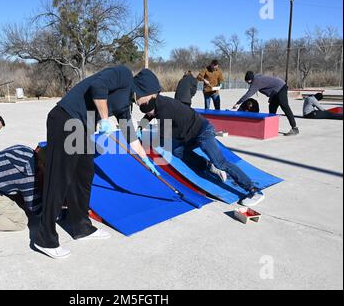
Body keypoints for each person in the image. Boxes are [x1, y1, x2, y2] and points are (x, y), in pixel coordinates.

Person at [34, 66, 161, 259]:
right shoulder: (123, 75)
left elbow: (131, 136)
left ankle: (80, 226)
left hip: (81, 128)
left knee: (84, 174)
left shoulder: (126, 106)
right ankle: (45, 238)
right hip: (64, 118)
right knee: (59, 178)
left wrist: (146, 159)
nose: (150, 102)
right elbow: (98, 86)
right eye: (152, 96)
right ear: (144, 88)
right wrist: (103, 119)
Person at [136, 90, 265, 208]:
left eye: (149, 113)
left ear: (152, 108)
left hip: (203, 132)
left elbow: (164, 136)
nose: (149, 115)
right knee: (177, 151)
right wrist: (140, 128)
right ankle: (207, 165)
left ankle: (254, 190)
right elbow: (149, 116)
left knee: (221, 162)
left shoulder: (164, 111)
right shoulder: (158, 102)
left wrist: (140, 144)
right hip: (189, 134)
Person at [233, 71, 299, 136]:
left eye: (248, 82)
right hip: (275, 92)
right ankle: (271, 128)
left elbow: (248, 94)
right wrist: (271, 97)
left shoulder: (256, 82)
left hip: (281, 88)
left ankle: (294, 128)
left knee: (284, 106)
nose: (248, 84)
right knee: (272, 107)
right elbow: (269, 86)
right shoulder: (257, 79)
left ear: (250, 79)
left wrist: (238, 103)